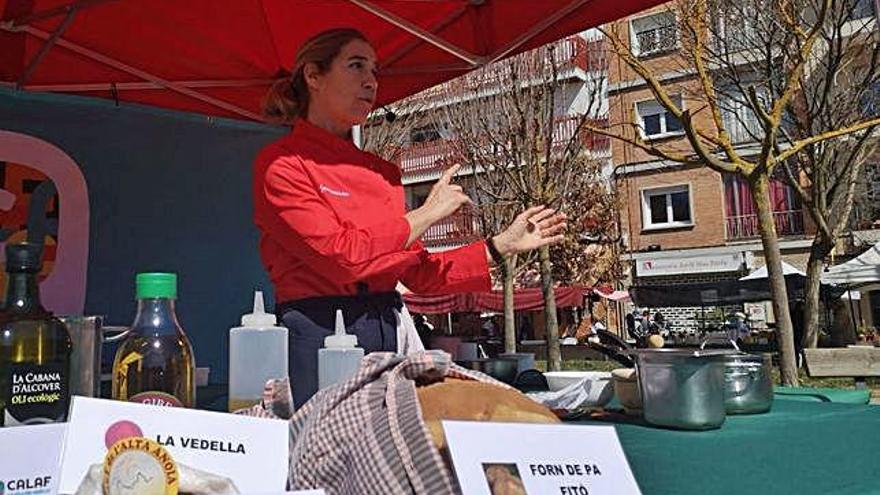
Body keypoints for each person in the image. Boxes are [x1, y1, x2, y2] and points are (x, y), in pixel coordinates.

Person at [253, 28, 567, 408]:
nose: (371, 81)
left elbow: (420, 274)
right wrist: (427, 213)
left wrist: (499, 246)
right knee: (329, 452)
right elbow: (343, 257)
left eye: (375, 70)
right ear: (313, 75)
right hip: (319, 330)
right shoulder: (282, 165)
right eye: (356, 65)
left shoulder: (383, 173)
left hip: (388, 327)